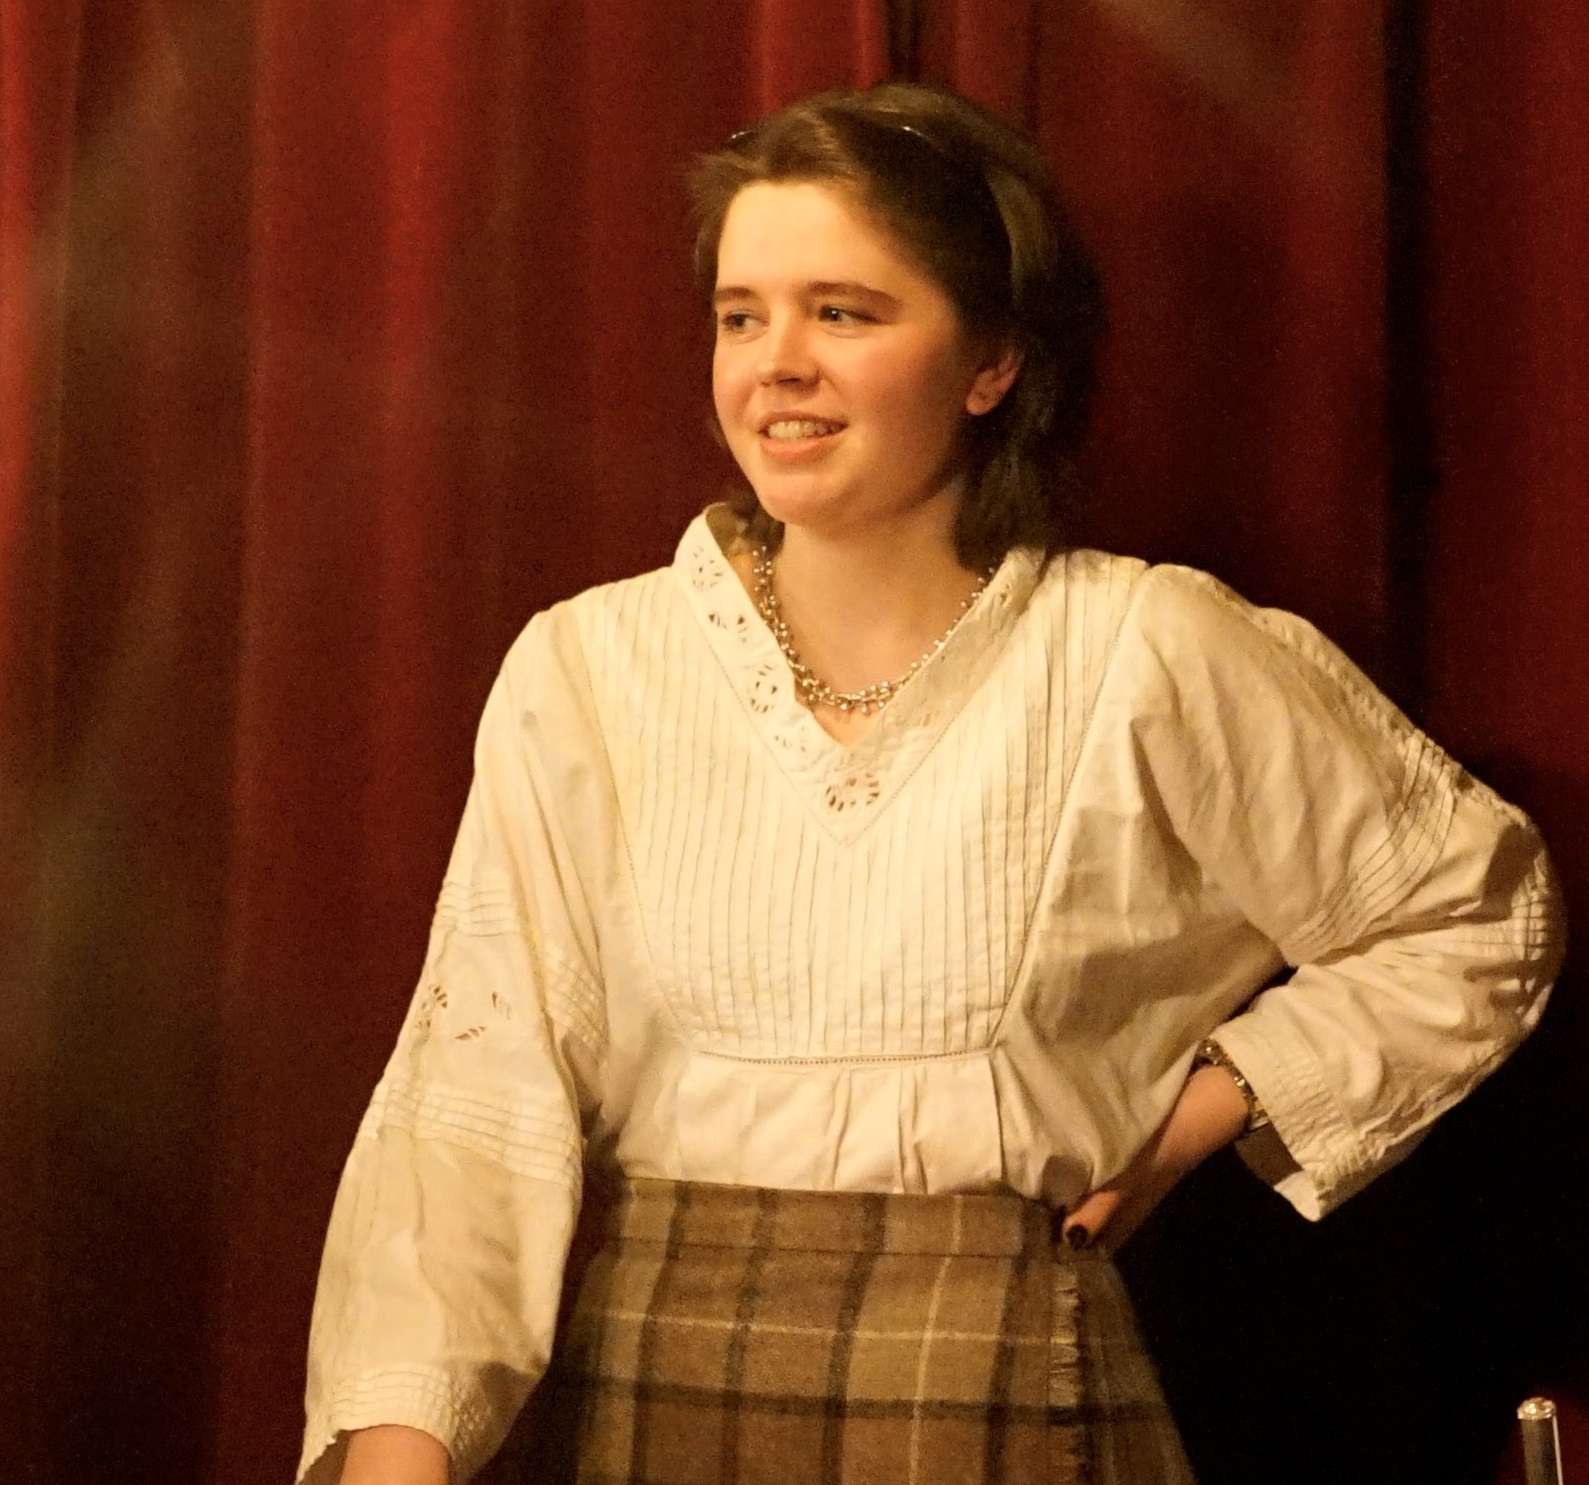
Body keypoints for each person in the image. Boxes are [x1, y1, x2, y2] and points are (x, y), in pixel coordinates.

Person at [297, 82, 1564, 1485]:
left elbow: (1471, 908)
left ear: (991, 363)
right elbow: (474, 1102)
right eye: (740, 316)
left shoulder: (1142, 647)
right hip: (655, 1397)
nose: (776, 365)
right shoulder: (588, 668)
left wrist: (1204, 1111)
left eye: (842, 312)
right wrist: (399, 1459)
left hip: (1016, 1394)